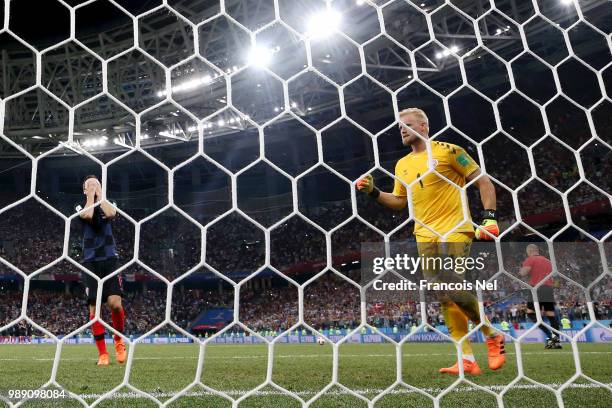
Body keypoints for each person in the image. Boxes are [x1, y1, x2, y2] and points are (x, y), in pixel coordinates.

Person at [357, 108, 505, 375]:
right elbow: (400, 202)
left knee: (452, 282)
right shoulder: (402, 165)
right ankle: (467, 359)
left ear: (424, 126)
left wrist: (489, 218)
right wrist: (374, 192)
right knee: (444, 295)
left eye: (407, 124)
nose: (402, 129)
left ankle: (492, 334)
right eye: (399, 126)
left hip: (456, 228)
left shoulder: (449, 151)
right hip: (424, 233)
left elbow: (484, 182)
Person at [78, 175, 126, 366]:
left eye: (96, 183)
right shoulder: (78, 205)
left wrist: (99, 195)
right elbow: (87, 215)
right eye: (88, 185)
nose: (92, 186)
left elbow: (112, 213)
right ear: (83, 190)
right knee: (94, 308)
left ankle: (119, 341)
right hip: (90, 261)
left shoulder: (108, 202)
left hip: (110, 258)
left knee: (115, 303)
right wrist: (90, 196)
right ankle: (102, 354)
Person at [519, 244, 562, 349]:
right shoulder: (548, 261)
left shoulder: (530, 260)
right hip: (548, 289)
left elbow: (524, 273)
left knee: (530, 313)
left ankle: (550, 336)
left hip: (536, 289)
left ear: (529, 251)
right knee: (550, 315)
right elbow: (557, 278)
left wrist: (521, 270)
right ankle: (556, 341)